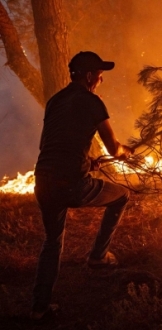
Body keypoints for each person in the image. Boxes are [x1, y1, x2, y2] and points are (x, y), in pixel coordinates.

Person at [30, 51, 133, 322]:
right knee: (121, 195)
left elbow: (48, 146)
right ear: (89, 76)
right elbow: (114, 147)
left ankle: (39, 309)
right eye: (99, 75)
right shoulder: (92, 101)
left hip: (43, 180)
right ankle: (99, 257)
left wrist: (87, 162)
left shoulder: (55, 101)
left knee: (52, 241)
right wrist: (125, 152)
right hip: (71, 184)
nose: (101, 80)